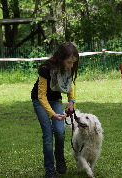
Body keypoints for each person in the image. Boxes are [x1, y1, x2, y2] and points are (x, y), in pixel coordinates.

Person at [31, 42, 79, 178]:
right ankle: (49, 169)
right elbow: (41, 96)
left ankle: (60, 159)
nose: (71, 66)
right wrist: (52, 114)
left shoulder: (68, 67)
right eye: (69, 62)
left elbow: (68, 84)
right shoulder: (46, 69)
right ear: (61, 59)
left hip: (55, 99)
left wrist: (71, 101)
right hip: (40, 100)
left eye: (73, 63)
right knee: (48, 134)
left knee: (60, 131)